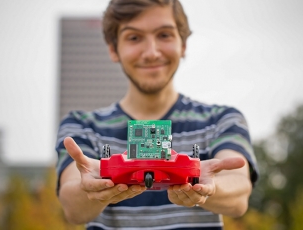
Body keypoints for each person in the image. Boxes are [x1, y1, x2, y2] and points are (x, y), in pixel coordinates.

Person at [55, 0, 258, 229]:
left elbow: (239, 192)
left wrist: (207, 187)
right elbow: (71, 207)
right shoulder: (81, 126)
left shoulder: (223, 120)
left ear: (183, 45)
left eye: (164, 35)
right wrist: (90, 186)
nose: (151, 53)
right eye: (134, 37)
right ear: (113, 49)